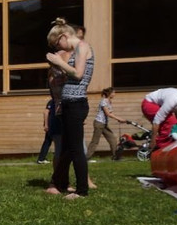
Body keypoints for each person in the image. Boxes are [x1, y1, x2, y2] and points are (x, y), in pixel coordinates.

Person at [45, 18, 94, 199]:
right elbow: (71, 75)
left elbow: (78, 74)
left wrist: (58, 62)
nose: (58, 48)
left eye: (57, 43)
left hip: (76, 103)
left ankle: (82, 191)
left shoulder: (82, 46)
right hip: (69, 103)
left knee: (75, 149)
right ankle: (57, 183)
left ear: (64, 36)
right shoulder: (76, 50)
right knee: (66, 148)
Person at [86, 87, 128, 160]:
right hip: (99, 123)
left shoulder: (109, 102)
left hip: (104, 124)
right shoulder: (103, 101)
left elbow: (111, 113)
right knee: (95, 141)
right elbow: (108, 113)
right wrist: (119, 119)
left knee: (112, 139)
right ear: (109, 93)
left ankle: (116, 156)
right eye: (113, 92)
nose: (114, 94)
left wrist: (120, 119)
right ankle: (86, 158)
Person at [36, 98, 59, 164]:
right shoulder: (53, 101)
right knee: (56, 142)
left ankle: (41, 158)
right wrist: (46, 125)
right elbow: (46, 112)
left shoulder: (53, 101)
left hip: (52, 125)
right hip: (53, 125)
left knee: (47, 142)